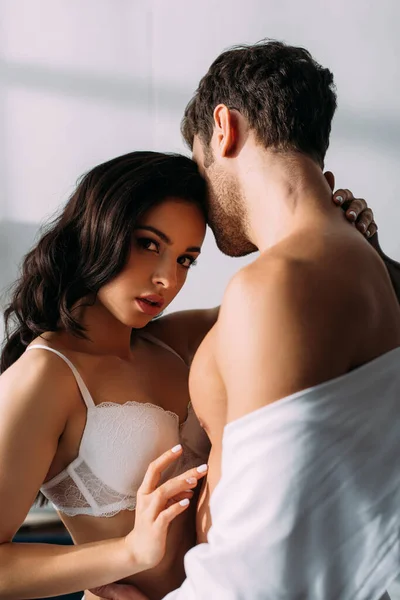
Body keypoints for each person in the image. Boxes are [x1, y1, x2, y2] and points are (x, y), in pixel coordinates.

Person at [0, 150, 379, 600]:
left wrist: (341, 233)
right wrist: (130, 552)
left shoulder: (173, 341)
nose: (167, 279)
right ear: (98, 228)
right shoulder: (46, 375)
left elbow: (303, 296)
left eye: (185, 259)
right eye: (149, 244)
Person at [102, 41, 400, 600]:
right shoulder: (353, 266)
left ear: (224, 129)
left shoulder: (281, 284)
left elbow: (269, 565)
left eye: (198, 166)